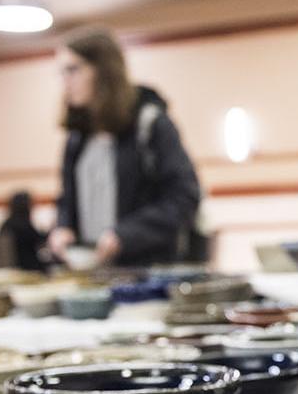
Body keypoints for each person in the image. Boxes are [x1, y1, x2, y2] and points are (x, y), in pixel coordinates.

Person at [47, 27, 202, 268]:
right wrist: (62, 226)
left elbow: (184, 197)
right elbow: (66, 198)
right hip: (92, 272)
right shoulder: (77, 137)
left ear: (103, 71)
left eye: (73, 69)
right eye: (62, 72)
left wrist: (126, 234)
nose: (65, 81)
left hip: (146, 272)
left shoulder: (150, 124)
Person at [0, 190, 48, 273]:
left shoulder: (6, 224)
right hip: (27, 266)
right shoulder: (24, 225)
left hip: (11, 265)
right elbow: (39, 241)